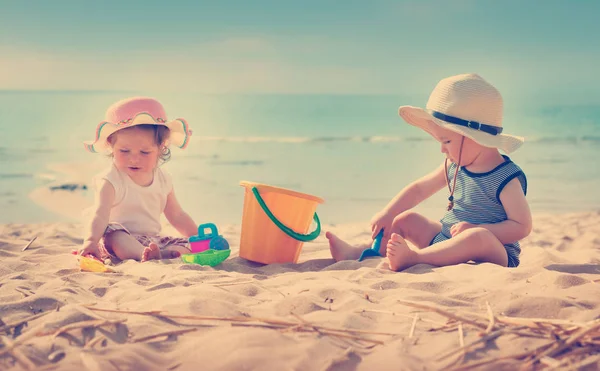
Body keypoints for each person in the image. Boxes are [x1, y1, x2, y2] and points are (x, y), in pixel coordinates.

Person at [327, 73, 532, 271]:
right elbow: (419, 190)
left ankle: (415, 258)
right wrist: (388, 213)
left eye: (447, 141)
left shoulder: (505, 178)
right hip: (446, 239)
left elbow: (522, 226)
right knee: (405, 220)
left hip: (492, 251)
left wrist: (480, 230)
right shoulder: (454, 165)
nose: (442, 149)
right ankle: (364, 253)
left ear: (474, 137)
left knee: (478, 237)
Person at [79, 97, 197, 262]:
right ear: (111, 145)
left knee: (186, 244)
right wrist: (90, 241)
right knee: (115, 234)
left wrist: (197, 236)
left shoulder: (163, 180)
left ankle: (161, 253)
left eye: (144, 152)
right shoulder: (111, 180)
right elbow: (100, 214)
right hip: (117, 239)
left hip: (151, 239)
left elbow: (176, 215)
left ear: (161, 147)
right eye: (124, 151)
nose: (134, 159)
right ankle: (142, 254)